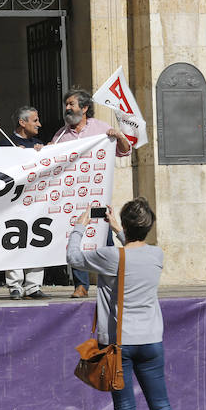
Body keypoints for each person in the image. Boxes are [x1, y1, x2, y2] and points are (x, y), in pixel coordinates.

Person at [67, 198, 193, 410]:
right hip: (151, 340)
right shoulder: (157, 254)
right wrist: (120, 230)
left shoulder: (110, 255)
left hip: (119, 344)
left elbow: (74, 257)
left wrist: (80, 227)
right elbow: (133, 254)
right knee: (162, 407)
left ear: (125, 224)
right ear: (149, 227)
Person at [51, 89, 131, 298]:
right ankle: (81, 285)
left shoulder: (101, 128)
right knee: (75, 237)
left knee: (104, 239)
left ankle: (114, 281)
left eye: (72, 104)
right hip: (72, 198)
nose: (67, 108)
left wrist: (118, 136)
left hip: (96, 196)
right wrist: (46, 150)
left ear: (85, 108)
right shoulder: (61, 135)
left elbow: (125, 150)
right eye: (67, 104)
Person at [5, 106, 46, 300]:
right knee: (13, 241)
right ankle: (15, 285)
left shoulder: (39, 144)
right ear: (22, 122)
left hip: (36, 201)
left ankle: (33, 286)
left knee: (38, 239)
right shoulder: (5, 144)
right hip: (12, 203)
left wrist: (42, 153)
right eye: (35, 120)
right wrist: (12, 155)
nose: (39, 124)